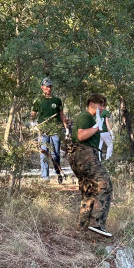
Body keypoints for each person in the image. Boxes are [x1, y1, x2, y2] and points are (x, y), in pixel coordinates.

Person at [69, 93, 113, 237]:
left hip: (82, 156)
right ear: (93, 103)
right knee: (105, 183)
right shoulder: (85, 117)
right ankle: (97, 224)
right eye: (101, 105)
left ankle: (82, 227)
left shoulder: (91, 118)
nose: (103, 108)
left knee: (89, 191)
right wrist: (96, 127)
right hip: (84, 155)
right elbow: (81, 136)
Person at [31, 78, 68, 182]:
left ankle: (58, 173)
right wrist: (32, 124)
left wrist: (66, 128)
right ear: (42, 87)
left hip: (55, 130)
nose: (49, 88)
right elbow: (33, 114)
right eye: (47, 86)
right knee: (44, 153)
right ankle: (45, 177)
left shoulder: (57, 100)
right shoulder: (38, 100)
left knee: (56, 153)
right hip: (43, 131)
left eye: (50, 86)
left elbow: (61, 115)